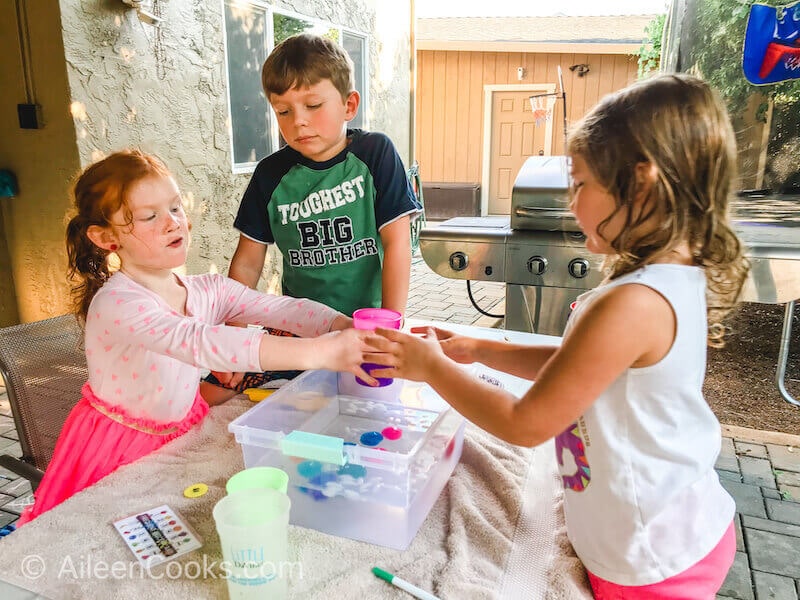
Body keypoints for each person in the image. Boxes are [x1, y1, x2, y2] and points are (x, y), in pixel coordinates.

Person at [366, 74, 749, 598]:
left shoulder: (634, 302)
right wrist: (480, 348)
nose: (572, 202)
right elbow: (580, 365)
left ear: (640, 183)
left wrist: (432, 367)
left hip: (653, 558)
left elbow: (526, 423)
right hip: (659, 531)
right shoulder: (663, 280)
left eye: (581, 183)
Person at [18, 149, 375, 525]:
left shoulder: (206, 289)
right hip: (116, 448)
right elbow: (204, 342)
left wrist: (342, 326)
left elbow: (280, 309)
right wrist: (322, 353)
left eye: (174, 207)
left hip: (182, 429)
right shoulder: (118, 303)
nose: (172, 223)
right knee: (104, 538)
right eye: (149, 216)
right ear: (106, 238)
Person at [209, 32, 421, 396]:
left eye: (313, 105)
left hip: (365, 324)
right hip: (297, 328)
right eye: (284, 111)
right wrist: (232, 342)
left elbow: (398, 243)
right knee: (215, 391)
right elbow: (246, 264)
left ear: (349, 105)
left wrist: (389, 328)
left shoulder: (375, 154)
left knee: (364, 398)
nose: (298, 122)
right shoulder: (270, 174)